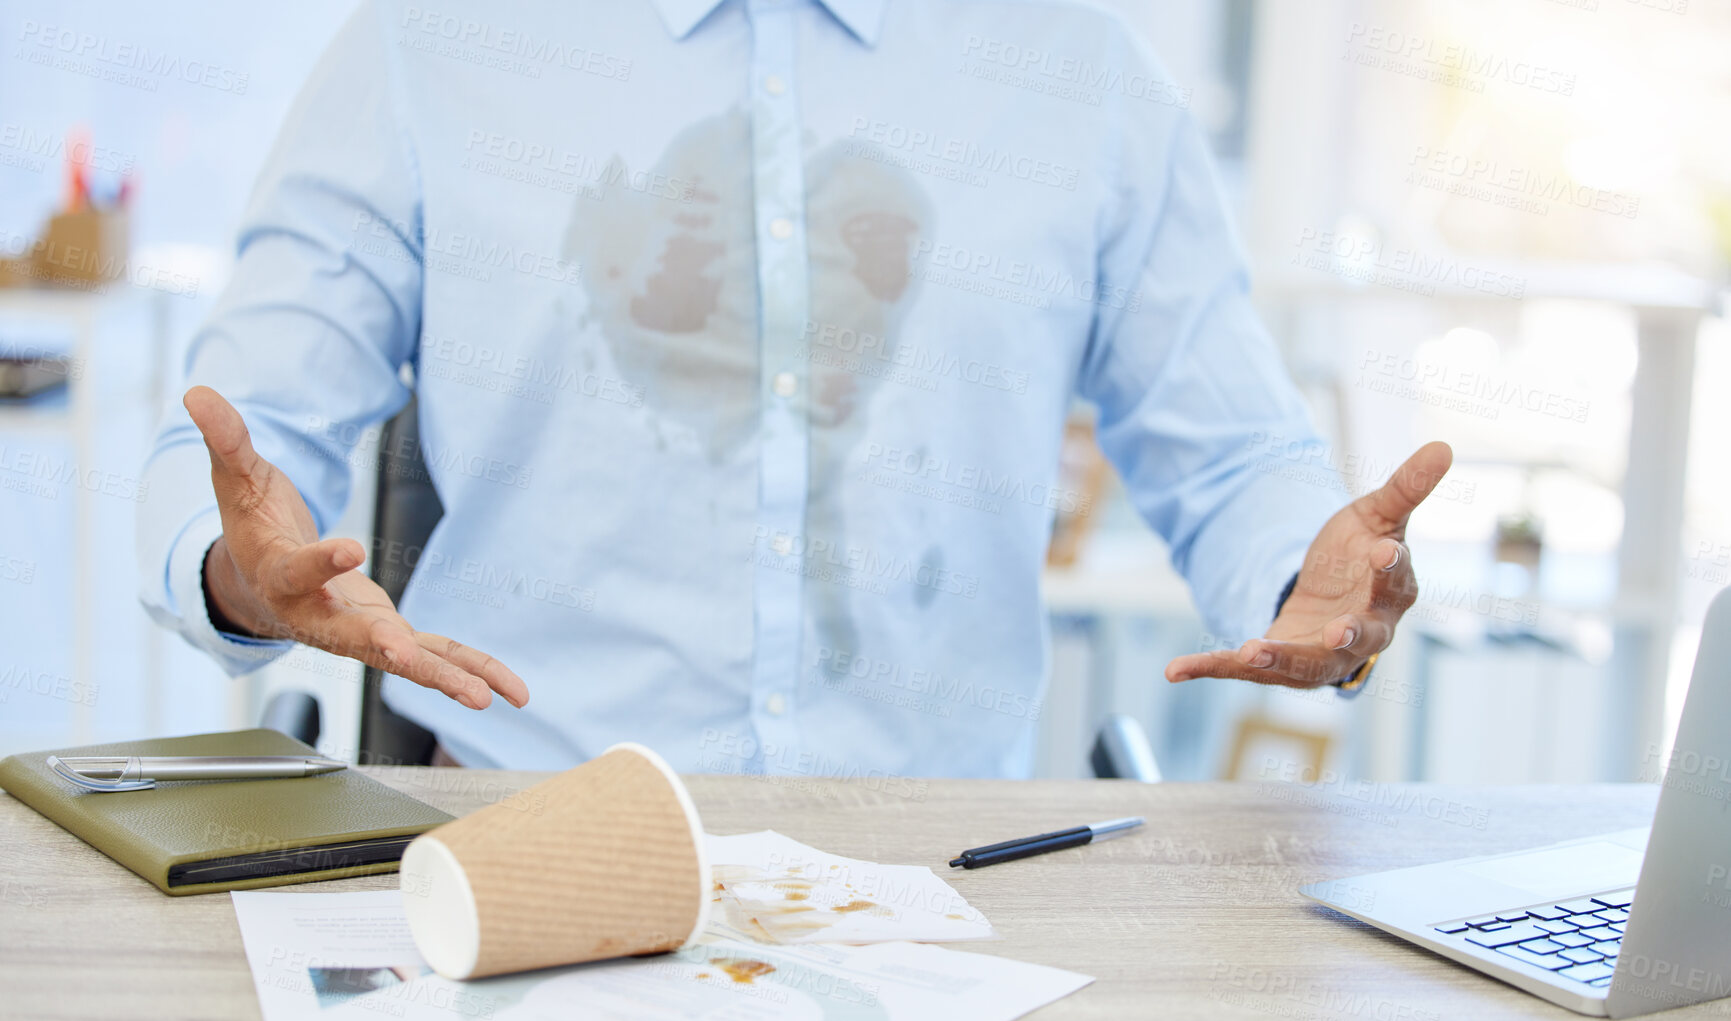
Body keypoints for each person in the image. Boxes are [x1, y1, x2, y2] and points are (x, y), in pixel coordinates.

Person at [139, 0, 1453, 776]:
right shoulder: (433, 43)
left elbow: (1231, 453)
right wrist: (235, 572)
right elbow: (242, 447)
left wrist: (1306, 579)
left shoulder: (1077, 61)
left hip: (949, 887)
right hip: (521, 840)